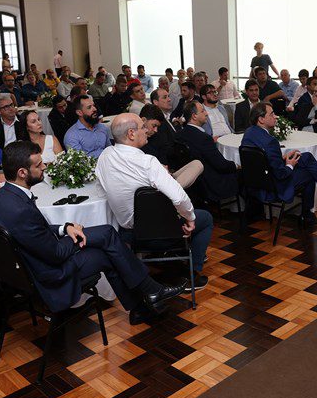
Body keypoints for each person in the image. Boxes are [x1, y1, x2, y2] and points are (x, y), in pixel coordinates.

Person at [0, 141, 186, 321]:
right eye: (38, 165)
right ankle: (148, 296)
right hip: (50, 272)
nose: (44, 167)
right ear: (22, 172)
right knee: (108, 250)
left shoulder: (1, 197)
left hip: (32, 263)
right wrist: (75, 235)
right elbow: (56, 253)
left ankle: (144, 301)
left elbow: (31, 230)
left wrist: (64, 228)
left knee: (108, 235)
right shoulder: (20, 209)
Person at [97, 113, 212, 290]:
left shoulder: (105, 156)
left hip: (128, 232)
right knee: (204, 219)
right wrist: (190, 218)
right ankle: (191, 274)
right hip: (159, 233)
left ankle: (176, 261)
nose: (146, 131)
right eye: (143, 127)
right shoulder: (146, 162)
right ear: (131, 134)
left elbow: (103, 187)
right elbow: (179, 197)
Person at [241, 102, 317, 225]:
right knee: (310, 173)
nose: (276, 117)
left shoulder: (249, 133)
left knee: (306, 157)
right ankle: (311, 213)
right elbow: (281, 174)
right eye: (272, 114)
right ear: (261, 119)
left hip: (258, 182)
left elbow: (261, 160)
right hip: (274, 185)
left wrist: (283, 159)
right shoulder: (270, 141)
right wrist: (289, 165)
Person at [178, 101, 239, 202]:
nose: (206, 113)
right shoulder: (204, 138)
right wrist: (236, 165)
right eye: (203, 111)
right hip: (210, 182)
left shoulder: (179, 134)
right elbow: (221, 165)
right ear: (194, 116)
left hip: (195, 181)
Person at [140, 104, 203, 188]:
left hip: (164, 175)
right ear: (143, 121)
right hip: (152, 182)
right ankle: (173, 191)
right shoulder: (136, 141)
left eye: (157, 127)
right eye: (154, 126)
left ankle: (173, 189)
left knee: (198, 164)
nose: (156, 130)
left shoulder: (155, 136)